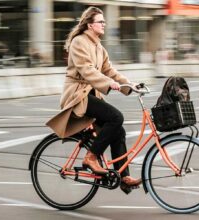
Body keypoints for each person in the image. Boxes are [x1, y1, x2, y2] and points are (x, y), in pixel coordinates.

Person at [46, 6, 142, 194]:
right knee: (116, 117)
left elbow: (109, 70)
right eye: (101, 21)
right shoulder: (79, 42)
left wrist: (129, 85)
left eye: (104, 21)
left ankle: (124, 177)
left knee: (119, 131)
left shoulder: (98, 46)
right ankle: (91, 157)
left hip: (90, 95)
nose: (104, 24)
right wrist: (109, 84)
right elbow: (87, 70)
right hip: (77, 94)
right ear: (90, 25)